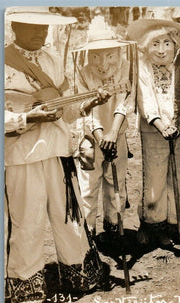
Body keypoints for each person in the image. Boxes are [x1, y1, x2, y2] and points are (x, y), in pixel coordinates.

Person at [4, 8, 106, 303]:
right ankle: (26, 288)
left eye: (45, 27)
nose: (41, 33)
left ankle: (79, 275)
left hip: (57, 149)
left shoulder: (51, 59)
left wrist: (86, 104)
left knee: (68, 216)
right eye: (32, 27)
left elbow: (66, 109)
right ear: (14, 25)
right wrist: (26, 117)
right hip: (21, 154)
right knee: (28, 220)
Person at [127, 18, 180, 247]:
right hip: (154, 130)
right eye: (155, 43)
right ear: (145, 46)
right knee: (154, 179)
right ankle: (152, 224)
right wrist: (161, 125)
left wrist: (177, 118)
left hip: (178, 128)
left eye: (166, 43)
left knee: (177, 177)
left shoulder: (179, 68)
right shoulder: (143, 69)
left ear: (174, 45)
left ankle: (173, 222)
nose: (162, 50)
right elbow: (145, 100)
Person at [73, 27, 136, 236]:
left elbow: (124, 103)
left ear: (118, 53)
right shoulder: (82, 73)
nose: (103, 62)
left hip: (117, 135)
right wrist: (100, 136)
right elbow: (85, 108)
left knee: (115, 183)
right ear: (89, 55)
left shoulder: (126, 68)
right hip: (89, 141)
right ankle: (87, 235)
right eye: (96, 56)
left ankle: (114, 228)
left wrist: (113, 134)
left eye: (109, 55)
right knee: (88, 186)